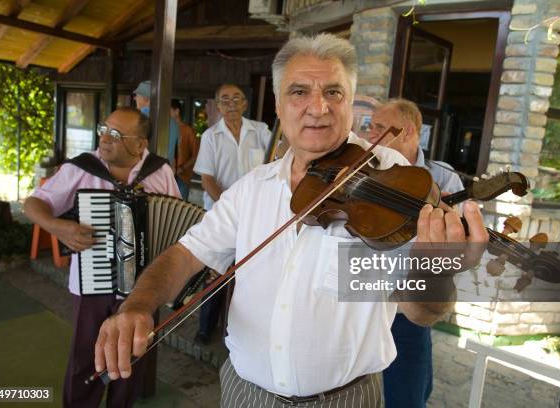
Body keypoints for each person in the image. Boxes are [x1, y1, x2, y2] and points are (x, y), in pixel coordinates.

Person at [95, 34, 488, 407]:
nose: (318, 107)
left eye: (333, 92)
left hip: (345, 400)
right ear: (279, 109)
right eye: (299, 92)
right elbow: (185, 254)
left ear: (351, 105)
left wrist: (436, 269)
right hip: (244, 394)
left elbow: (421, 312)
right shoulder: (253, 187)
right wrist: (138, 305)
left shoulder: (394, 180)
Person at [24, 108, 179, 408]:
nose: (105, 139)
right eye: (103, 130)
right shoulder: (82, 168)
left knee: (130, 360)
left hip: (142, 288)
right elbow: (34, 204)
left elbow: (174, 222)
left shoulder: (160, 172)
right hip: (91, 286)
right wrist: (60, 227)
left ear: (140, 144)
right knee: (86, 358)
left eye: (116, 135)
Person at [368, 98, 464, 408]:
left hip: (405, 306)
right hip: (360, 298)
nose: (371, 134)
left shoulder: (444, 179)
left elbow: (456, 250)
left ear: (409, 131)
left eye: (380, 128)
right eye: (371, 126)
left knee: (408, 397)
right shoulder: (365, 169)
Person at [192, 83, 272, 344]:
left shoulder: (260, 131)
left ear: (245, 104)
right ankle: (206, 326)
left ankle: (237, 330)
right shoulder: (210, 136)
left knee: (249, 273)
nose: (231, 103)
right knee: (216, 271)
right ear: (218, 105)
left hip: (256, 216)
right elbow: (207, 180)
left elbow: (277, 160)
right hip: (221, 216)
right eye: (225, 99)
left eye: (237, 98)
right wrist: (232, 208)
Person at [133, 80, 180, 174]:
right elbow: (174, 154)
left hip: (142, 173)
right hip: (165, 172)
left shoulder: (138, 117)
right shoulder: (173, 123)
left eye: (137, 96)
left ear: (145, 98)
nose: (134, 98)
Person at [170, 98, 199, 201]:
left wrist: (182, 168)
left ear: (177, 111)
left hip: (182, 176)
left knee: (180, 209)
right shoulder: (166, 128)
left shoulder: (187, 130)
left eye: (169, 110)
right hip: (168, 175)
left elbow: (195, 155)